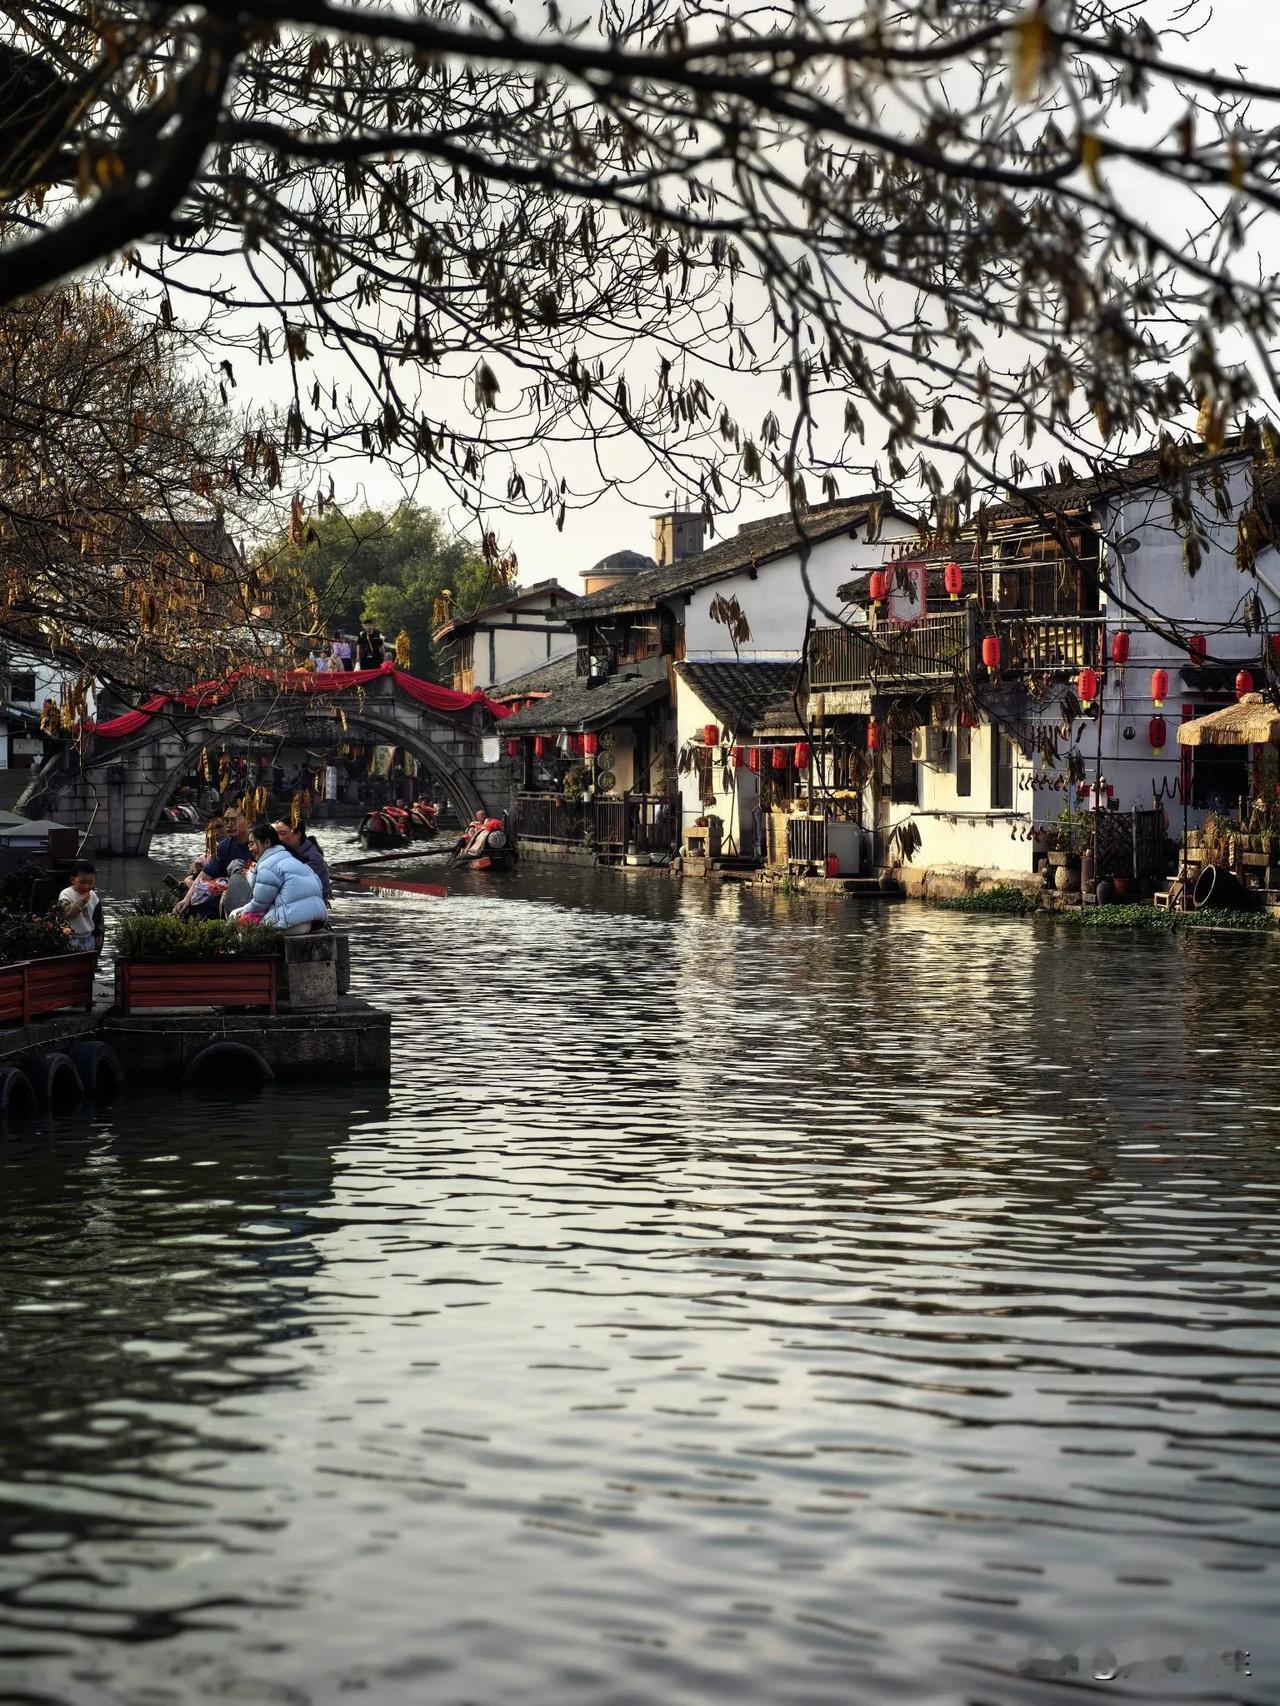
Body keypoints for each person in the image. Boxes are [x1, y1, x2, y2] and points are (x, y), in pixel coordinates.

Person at [230, 821, 327, 935]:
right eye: (249, 845)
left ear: (267, 842)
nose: (250, 849)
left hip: (291, 922)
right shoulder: (291, 857)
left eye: (252, 844)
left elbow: (260, 904)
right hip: (312, 921)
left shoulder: (268, 865)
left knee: (235, 917)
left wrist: (242, 911)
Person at [194, 810, 252, 920]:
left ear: (248, 821)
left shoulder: (259, 843)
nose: (229, 824)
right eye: (227, 820)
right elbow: (206, 874)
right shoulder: (223, 847)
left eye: (234, 820)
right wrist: (186, 899)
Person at [274, 818, 331, 903]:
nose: (279, 839)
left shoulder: (312, 858)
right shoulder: (288, 854)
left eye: (282, 834)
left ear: (298, 834)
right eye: (276, 834)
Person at [57, 860, 104, 955]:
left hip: (89, 937)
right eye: (82, 882)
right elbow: (66, 914)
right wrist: (81, 903)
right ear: (73, 880)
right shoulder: (66, 894)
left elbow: (98, 919)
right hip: (71, 938)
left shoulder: (93, 896)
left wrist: (98, 936)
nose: (86, 886)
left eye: (90, 883)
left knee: (89, 962)